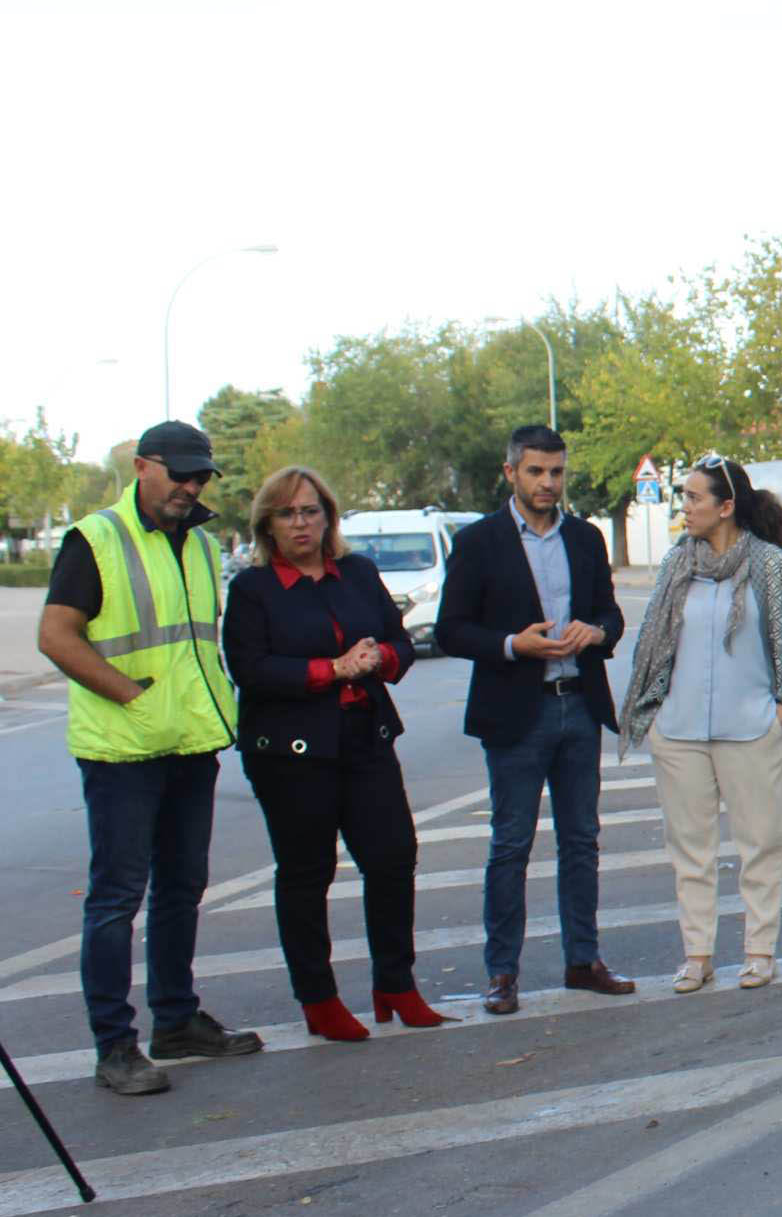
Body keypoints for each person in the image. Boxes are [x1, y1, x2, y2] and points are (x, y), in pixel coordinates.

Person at [36, 422, 262, 1094]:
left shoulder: (197, 542)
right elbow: (55, 635)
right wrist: (130, 695)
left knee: (181, 890)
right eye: (178, 475)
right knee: (115, 899)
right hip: (125, 751)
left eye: (199, 478)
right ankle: (115, 1046)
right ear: (141, 467)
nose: (189, 488)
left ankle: (176, 1020)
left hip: (191, 744)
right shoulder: (96, 538)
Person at [222, 465, 452, 1041]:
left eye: (311, 510)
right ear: (267, 525)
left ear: (328, 516)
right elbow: (250, 669)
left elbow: (400, 640)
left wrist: (381, 659)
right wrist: (333, 669)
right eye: (287, 513)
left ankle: (395, 983)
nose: (301, 523)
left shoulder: (357, 572)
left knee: (393, 856)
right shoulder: (252, 589)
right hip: (292, 753)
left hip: (364, 735)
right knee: (307, 872)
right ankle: (318, 1000)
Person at [433, 424, 634, 1015]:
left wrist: (596, 632)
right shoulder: (479, 542)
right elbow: (450, 630)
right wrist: (510, 644)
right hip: (516, 713)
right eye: (536, 472)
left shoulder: (585, 538)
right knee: (511, 844)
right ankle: (502, 973)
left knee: (581, 841)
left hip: (580, 705)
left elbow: (609, 613)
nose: (548, 483)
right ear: (511, 473)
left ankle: (583, 960)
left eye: (557, 472)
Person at [620, 457, 782, 993]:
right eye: (683, 497)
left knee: (761, 844)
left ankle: (759, 950)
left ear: (725, 506)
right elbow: (652, 640)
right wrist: (655, 713)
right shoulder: (675, 564)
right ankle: (697, 954)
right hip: (680, 730)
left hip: (752, 727)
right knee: (689, 850)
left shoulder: (770, 565)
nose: (684, 507)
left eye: (693, 498)